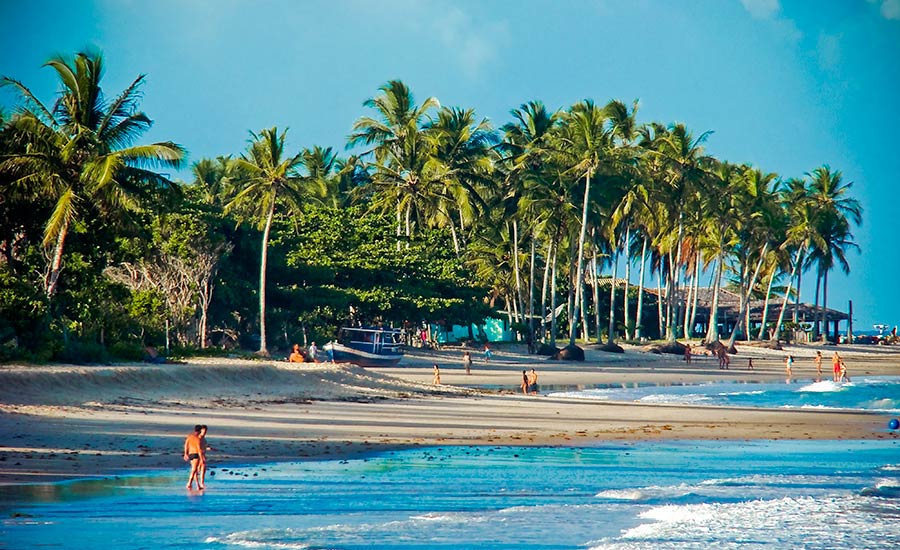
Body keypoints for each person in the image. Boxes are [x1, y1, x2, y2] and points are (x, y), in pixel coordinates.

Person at [183, 425, 204, 490]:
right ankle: (189, 483)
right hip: (196, 454)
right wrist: (202, 458)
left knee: (194, 470)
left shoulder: (189, 437)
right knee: (194, 470)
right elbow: (199, 449)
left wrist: (185, 454)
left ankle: (197, 485)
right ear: (200, 431)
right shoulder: (198, 439)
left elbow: (186, 445)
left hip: (190, 454)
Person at [197, 424, 217, 489]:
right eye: (203, 431)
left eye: (205, 431)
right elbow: (198, 448)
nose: (205, 432)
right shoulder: (198, 438)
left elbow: (203, 447)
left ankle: (201, 482)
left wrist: (209, 448)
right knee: (199, 468)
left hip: (202, 454)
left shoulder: (203, 438)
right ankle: (199, 483)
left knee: (203, 468)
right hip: (198, 454)